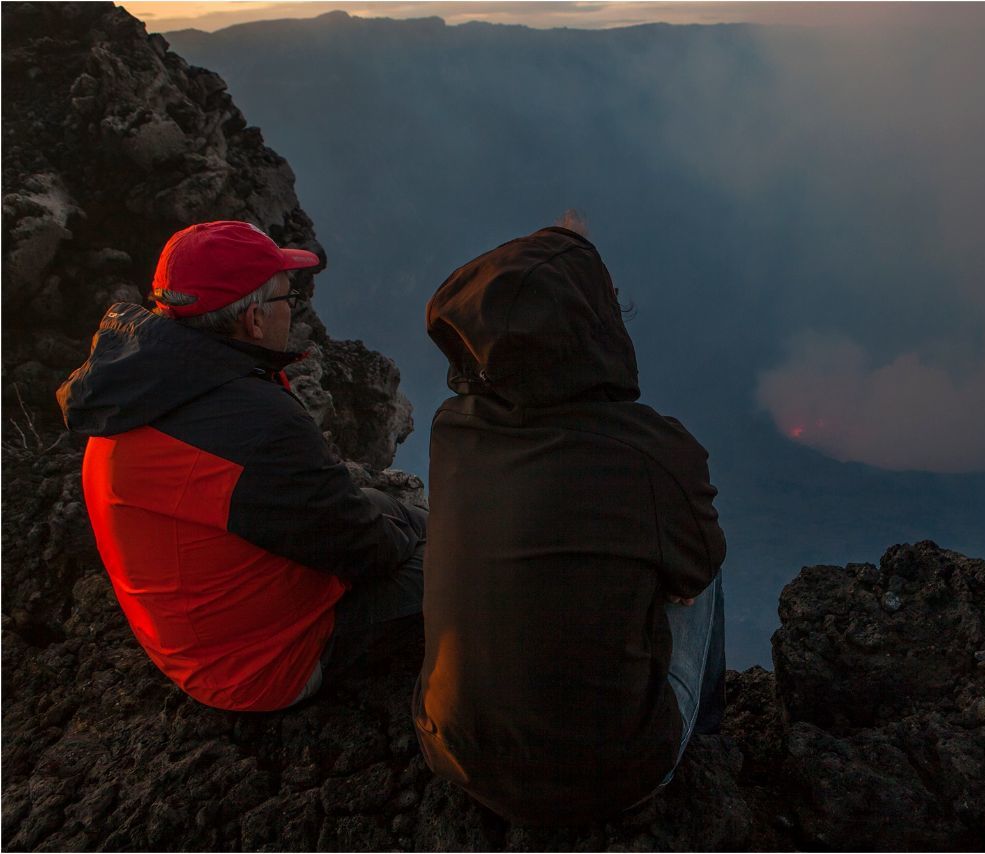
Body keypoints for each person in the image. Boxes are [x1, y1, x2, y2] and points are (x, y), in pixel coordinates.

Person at [414, 219, 727, 825]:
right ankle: (706, 745)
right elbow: (692, 579)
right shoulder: (653, 454)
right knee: (703, 565)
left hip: (447, 747)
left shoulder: (453, 429)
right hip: (606, 780)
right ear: (598, 331)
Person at [57, 220, 425, 712]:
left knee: (395, 514)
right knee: (470, 561)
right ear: (253, 320)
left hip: (192, 639)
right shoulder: (256, 426)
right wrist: (412, 537)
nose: (292, 310)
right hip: (261, 669)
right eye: (285, 299)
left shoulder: (130, 386)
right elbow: (364, 550)